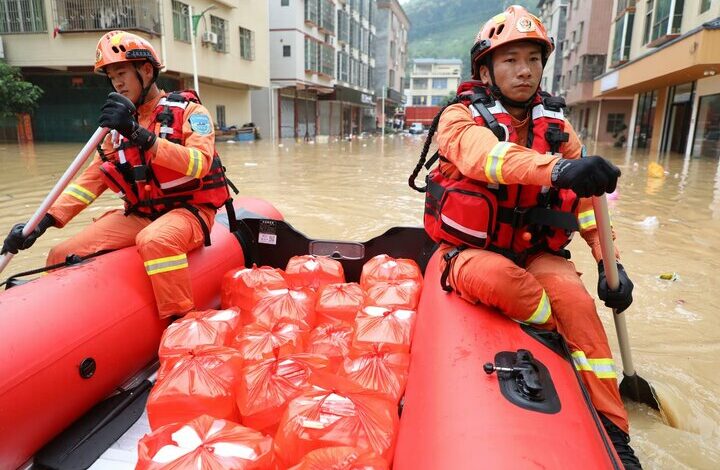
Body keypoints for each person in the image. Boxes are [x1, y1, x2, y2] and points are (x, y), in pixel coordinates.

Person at [409, 6, 641, 469]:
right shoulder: (459, 120)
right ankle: (551, 341)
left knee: (576, 301)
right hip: (471, 252)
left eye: (533, 59)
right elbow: (485, 159)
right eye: (511, 59)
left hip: (537, 249)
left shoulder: (558, 129)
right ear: (486, 69)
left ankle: (615, 432)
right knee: (512, 286)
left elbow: (586, 208)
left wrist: (608, 264)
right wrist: (559, 168)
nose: (524, 70)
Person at [1, 30, 233, 320]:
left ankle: (181, 322)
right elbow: (90, 182)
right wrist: (43, 221)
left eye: (122, 72)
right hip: (141, 214)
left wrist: (141, 136)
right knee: (61, 252)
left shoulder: (191, 112)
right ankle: (59, 322)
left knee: (156, 240)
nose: (117, 83)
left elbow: (199, 163)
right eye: (112, 76)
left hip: (189, 211)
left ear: (146, 70)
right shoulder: (117, 129)